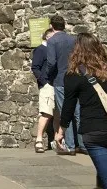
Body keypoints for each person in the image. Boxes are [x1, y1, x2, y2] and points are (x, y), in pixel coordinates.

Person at [55, 33, 107, 189]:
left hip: (95, 132)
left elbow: (68, 106)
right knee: (104, 174)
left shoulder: (74, 75)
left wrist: (61, 131)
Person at [44, 14, 83, 154]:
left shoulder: (52, 41)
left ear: (51, 26)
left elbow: (51, 62)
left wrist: (47, 76)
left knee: (65, 112)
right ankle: (83, 145)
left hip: (60, 80)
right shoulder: (74, 40)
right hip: (76, 78)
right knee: (78, 112)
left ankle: (71, 146)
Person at [31, 28, 56, 152]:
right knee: (46, 112)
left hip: (55, 83)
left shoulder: (52, 49)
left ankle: (55, 140)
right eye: (52, 36)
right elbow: (35, 67)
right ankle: (39, 140)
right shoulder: (41, 49)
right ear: (46, 37)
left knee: (55, 114)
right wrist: (44, 82)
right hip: (47, 85)